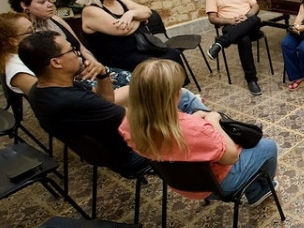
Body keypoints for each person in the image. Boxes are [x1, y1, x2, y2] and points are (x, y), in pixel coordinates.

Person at [18, 31, 208, 176]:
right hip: (132, 155)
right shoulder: (74, 101)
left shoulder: (41, 90)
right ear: (56, 63)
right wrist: (181, 112)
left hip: (110, 151)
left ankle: (210, 134)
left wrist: (102, 74)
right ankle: (215, 146)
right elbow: (137, 121)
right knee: (184, 98)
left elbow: (107, 99)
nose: (77, 54)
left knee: (177, 96)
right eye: (71, 50)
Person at [119, 59, 278, 206]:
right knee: (268, 146)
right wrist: (213, 122)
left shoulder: (127, 124)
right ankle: (259, 190)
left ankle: (253, 184)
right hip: (216, 185)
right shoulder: (194, 128)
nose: (181, 92)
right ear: (172, 97)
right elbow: (231, 157)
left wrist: (192, 120)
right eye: (177, 90)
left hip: (181, 183)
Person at [8, 0, 122, 86]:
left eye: (49, 0)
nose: (49, 5)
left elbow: (82, 49)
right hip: (72, 81)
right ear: (24, 6)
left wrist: (98, 68)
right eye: (42, 2)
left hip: (90, 69)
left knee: (134, 79)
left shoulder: (56, 20)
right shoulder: (28, 36)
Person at [78, 0, 184, 74]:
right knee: (155, 66)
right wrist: (139, 19)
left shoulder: (120, 1)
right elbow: (123, 30)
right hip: (120, 57)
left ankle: (177, 89)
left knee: (172, 55)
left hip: (140, 49)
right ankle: (164, 90)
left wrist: (131, 13)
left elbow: (147, 11)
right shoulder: (90, 11)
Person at [205, 0, 263, 96]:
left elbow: (256, 6)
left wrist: (247, 16)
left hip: (249, 23)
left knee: (255, 19)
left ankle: (220, 43)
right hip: (231, 27)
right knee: (244, 39)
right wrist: (229, 20)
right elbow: (212, 18)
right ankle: (251, 80)